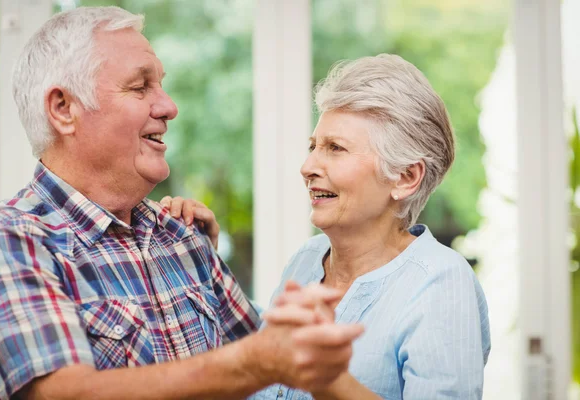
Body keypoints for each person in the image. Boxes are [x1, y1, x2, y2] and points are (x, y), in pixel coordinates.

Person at [0, 7, 364, 400]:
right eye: (139, 87)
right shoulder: (8, 238)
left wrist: (305, 338)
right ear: (64, 109)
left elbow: (276, 372)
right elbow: (63, 394)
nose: (169, 106)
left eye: (160, 85)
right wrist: (256, 361)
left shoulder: (181, 235)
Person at [165, 54, 491, 399]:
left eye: (335, 148)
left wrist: (328, 380)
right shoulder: (307, 259)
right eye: (313, 146)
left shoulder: (441, 282)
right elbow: (258, 363)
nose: (307, 166)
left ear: (406, 177)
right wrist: (203, 261)